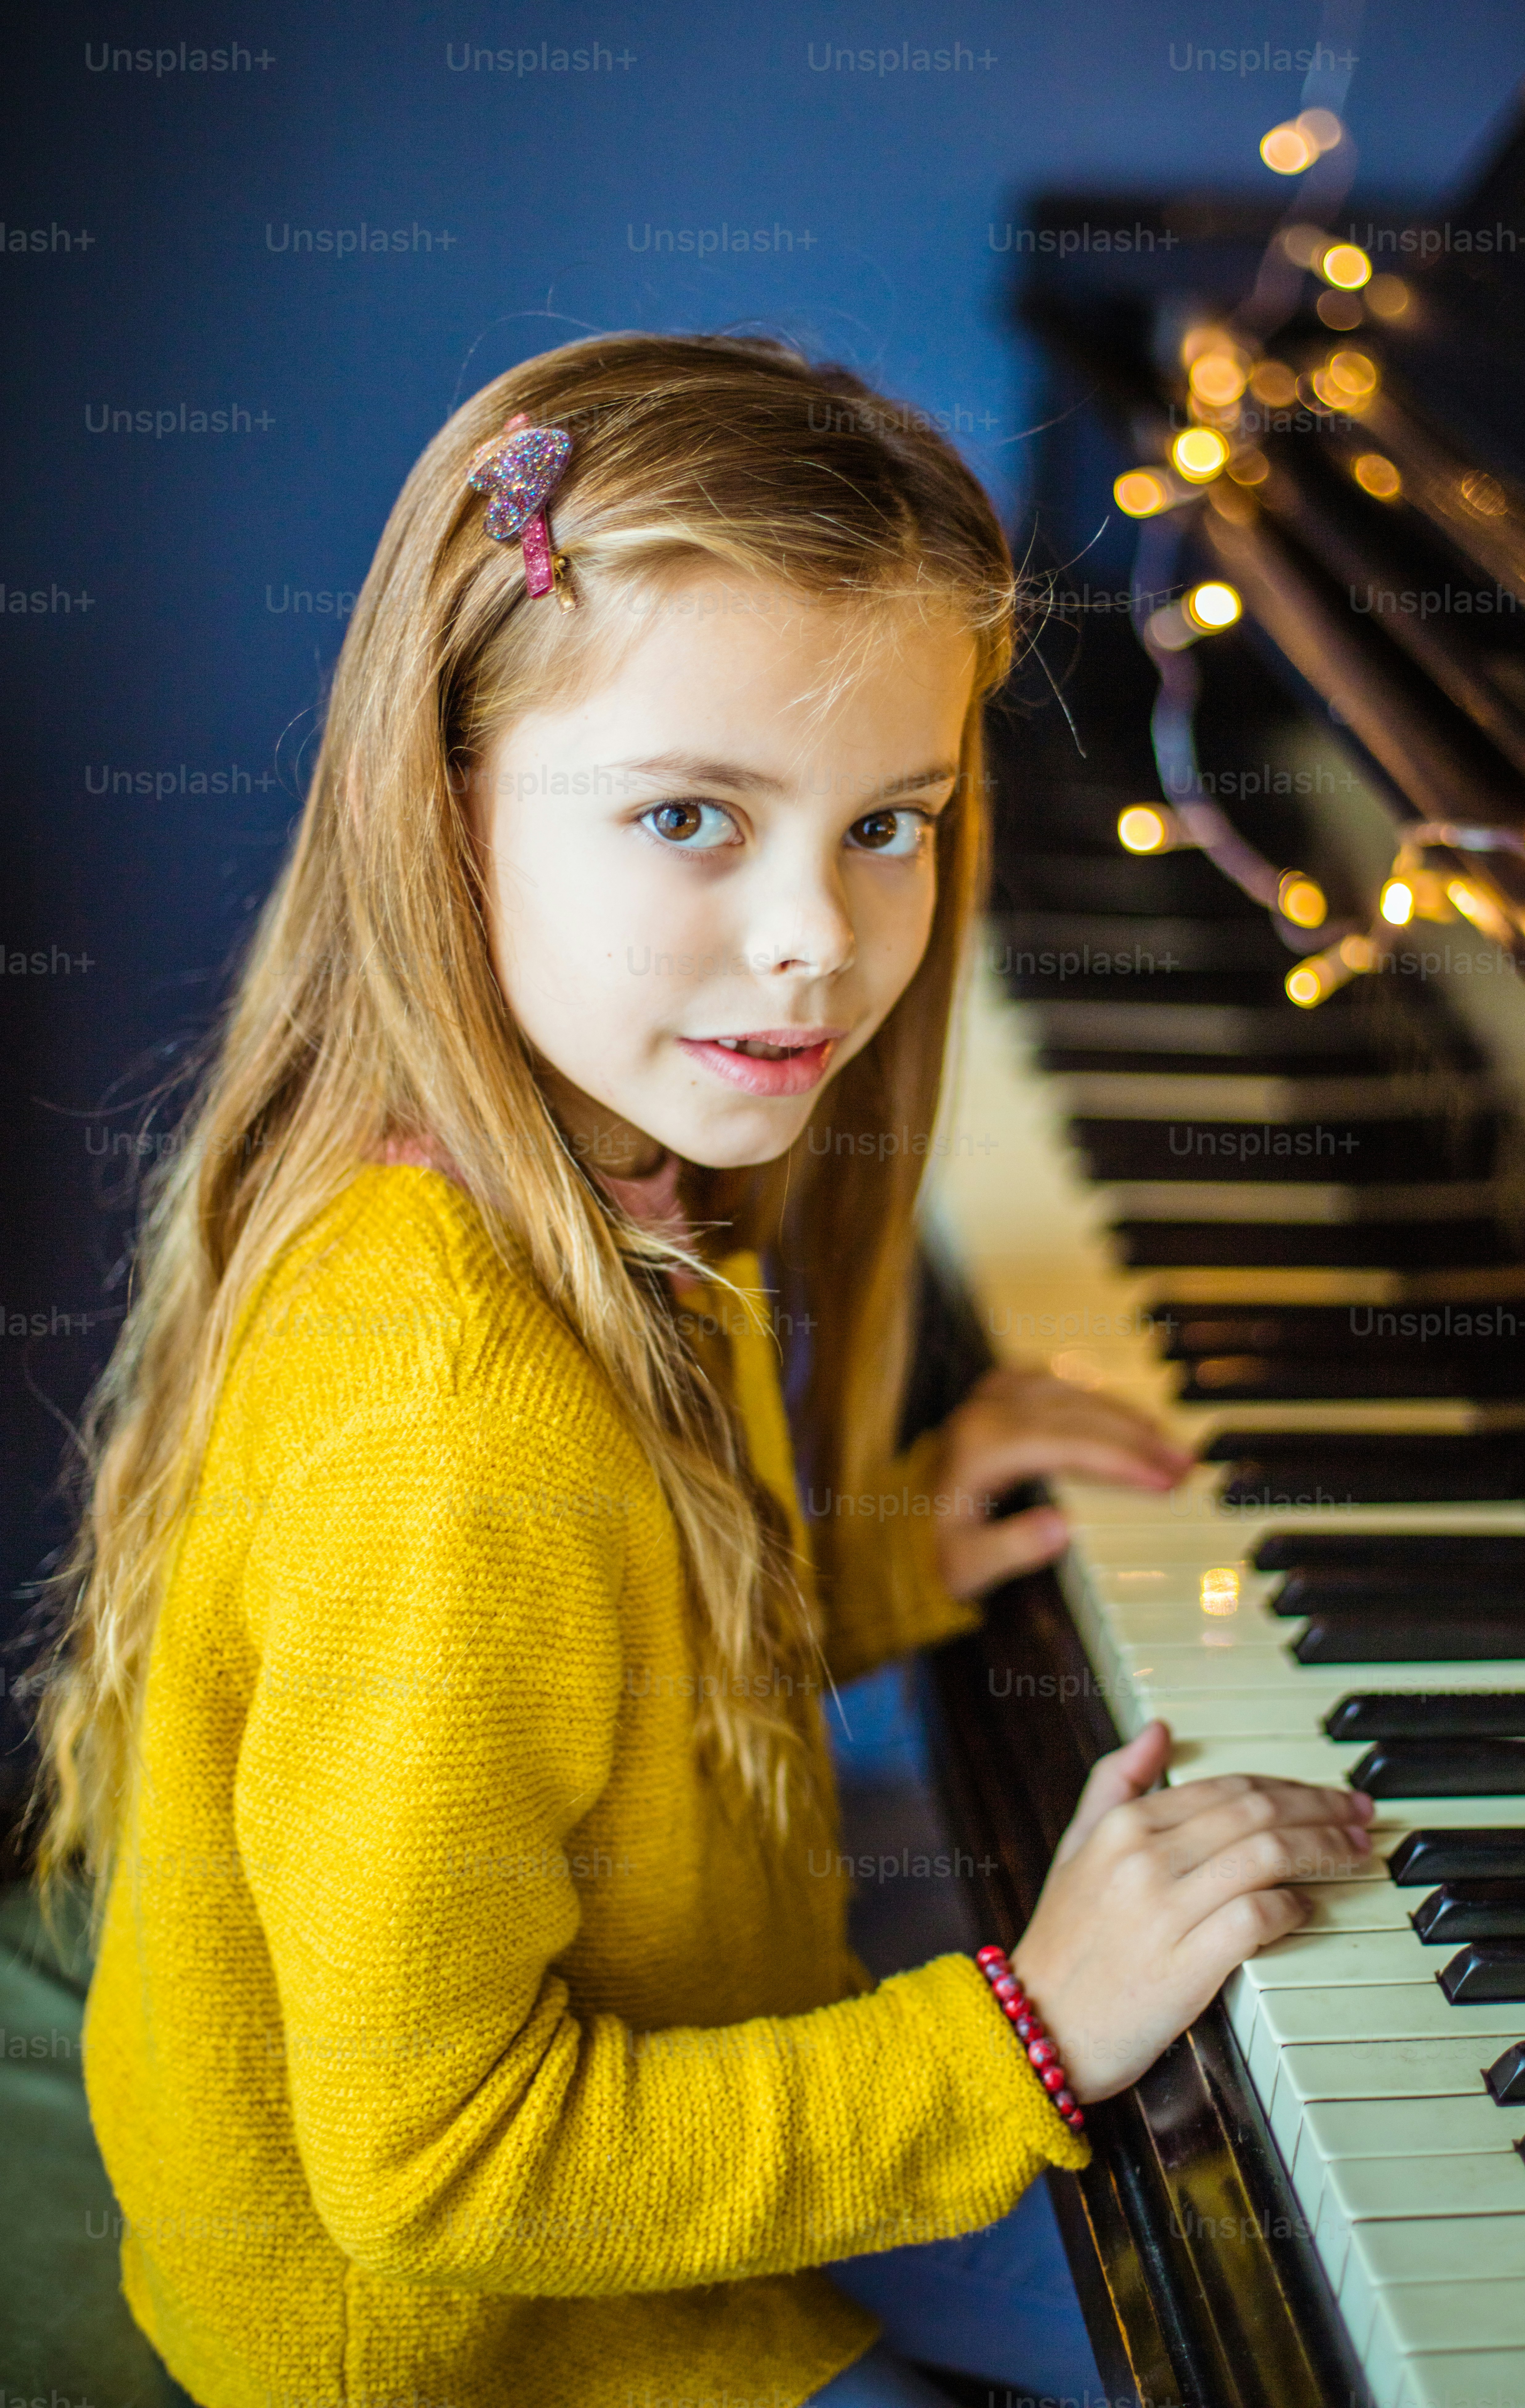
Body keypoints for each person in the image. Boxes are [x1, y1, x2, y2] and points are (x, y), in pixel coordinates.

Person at [30, 334, 1374, 2408]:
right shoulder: (449, 1422)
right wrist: (1032, 2034)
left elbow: (601, 1709)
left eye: (890, 823)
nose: (816, 936)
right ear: (446, 811)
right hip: (473, 2340)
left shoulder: (597, 1168)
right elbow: (442, 2169)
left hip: (648, 2060)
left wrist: (892, 1562)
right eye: (689, 816)